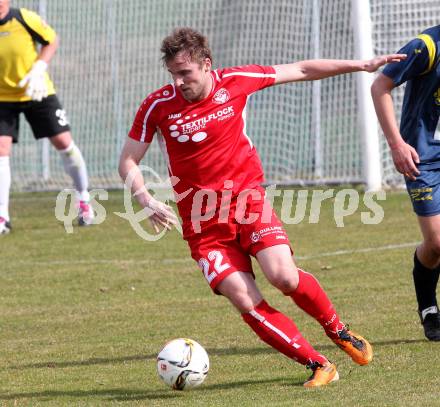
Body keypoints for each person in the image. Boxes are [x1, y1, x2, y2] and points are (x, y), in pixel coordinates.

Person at [119, 27, 404, 387]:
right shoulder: (157, 106)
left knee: (283, 276)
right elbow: (128, 161)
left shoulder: (237, 80)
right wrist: (145, 198)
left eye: (185, 73)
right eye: (173, 74)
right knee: (244, 298)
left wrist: (362, 64)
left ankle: (339, 331)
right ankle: (318, 364)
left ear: (207, 65)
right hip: (202, 224)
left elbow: (300, 69)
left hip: (247, 201)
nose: (178, 82)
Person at [0, 0, 94, 234]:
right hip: (3, 98)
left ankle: (84, 200)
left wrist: (39, 68)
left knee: (64, 142)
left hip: (37, 90)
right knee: (1, 149)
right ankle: (2, 216)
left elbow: (51, 39)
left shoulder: (24, 18)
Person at [371, 25, 440, 341]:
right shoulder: (427, 46)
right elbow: (380, 86)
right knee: (437, 244)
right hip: (423, 157)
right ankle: (428, 307)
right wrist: (396, 144)